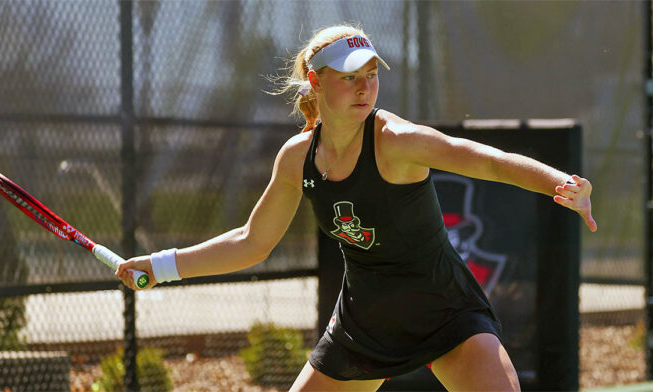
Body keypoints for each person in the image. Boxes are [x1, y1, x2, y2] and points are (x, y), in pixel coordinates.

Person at [116, 24, 597, 392]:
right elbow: (251, 242)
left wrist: (561, 182)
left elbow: (487, 161)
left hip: (447, 315)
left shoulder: (396, 141)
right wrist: (160, 267)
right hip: (364, 324)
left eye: (370, 76)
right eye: (350, 79)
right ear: (316, 82)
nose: (365, 89)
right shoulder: (296, 158)